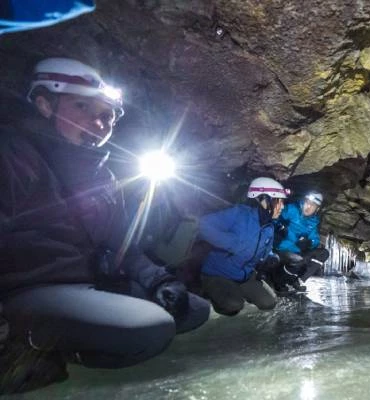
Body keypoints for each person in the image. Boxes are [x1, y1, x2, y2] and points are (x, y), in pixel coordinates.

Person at [0, 57, 210, 394]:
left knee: (193, 310)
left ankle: (76, 335)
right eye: (82, 107)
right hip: (30, 290)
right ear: (44, 104)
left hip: (89, 283)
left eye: (106, 115)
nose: (98, 122)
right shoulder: (14, 153)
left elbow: (123, 246)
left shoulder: (104, 175)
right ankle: (30, 348)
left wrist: (161, 281)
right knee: (151, 329)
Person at [197, 177, 288, 316]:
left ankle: (236, 291)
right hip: (218, 273)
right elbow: (203, 225)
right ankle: (209, 289)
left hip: (245, 275)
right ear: (263, 199)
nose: (282, 206)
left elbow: (266, 249)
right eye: (278, 201)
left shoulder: (269, 226)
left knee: (269, 303)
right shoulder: (239, 214)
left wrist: (270, 257)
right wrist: (230, 243)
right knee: (233, 305)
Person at [271, 191, 330, 294]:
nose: (309, 206)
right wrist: (280, 228)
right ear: (304, 201)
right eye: (307, 202)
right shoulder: (291, 209)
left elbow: (315, 238)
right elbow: (274, 219)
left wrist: (309, 242)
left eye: (313, 205)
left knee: (324, 253)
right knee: (298, 259)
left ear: (317, 209)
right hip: (282, 247)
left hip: (298, 249)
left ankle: (298, 281)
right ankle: (279, 282)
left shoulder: (313, 221)